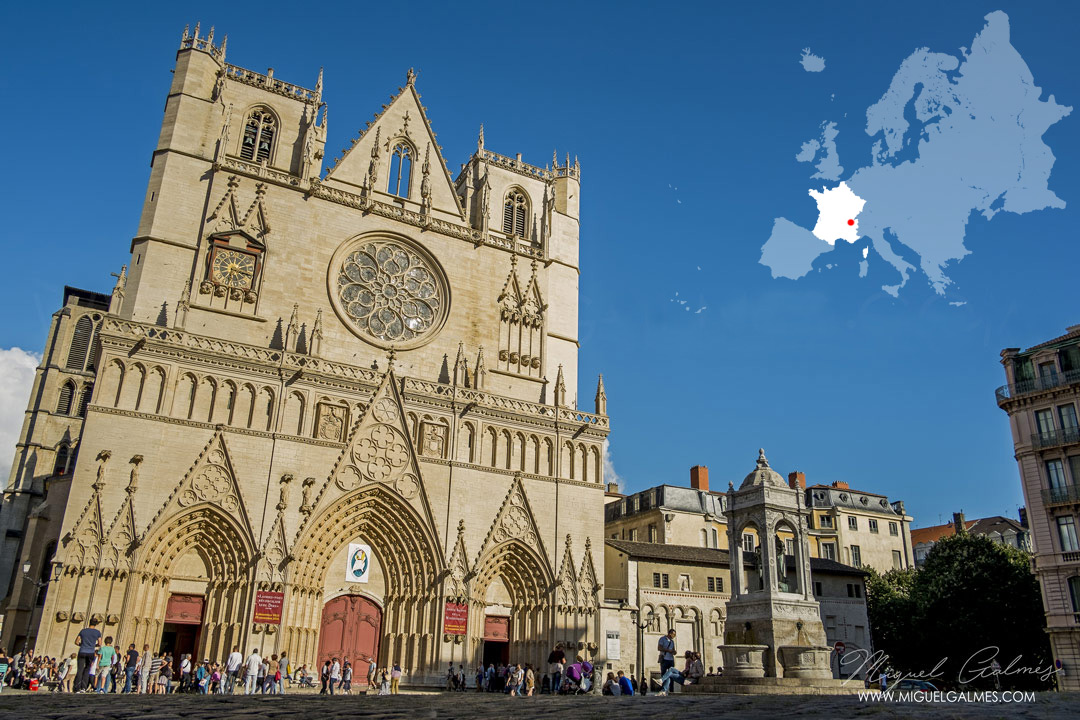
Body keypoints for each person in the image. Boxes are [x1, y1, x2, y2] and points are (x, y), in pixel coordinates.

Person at [73, 617, 101, 692]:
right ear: (96, 624)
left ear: (89, 622)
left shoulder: (83, 631)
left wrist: (81, 645)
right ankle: (84, 687)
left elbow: (76, 641)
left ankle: (77, 687)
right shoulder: (97, 632)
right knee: (87, 669)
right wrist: (93, 646)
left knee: (80, 669)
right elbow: (100, 643)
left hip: (82, 651)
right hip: (91, 652)